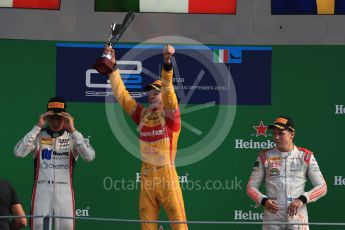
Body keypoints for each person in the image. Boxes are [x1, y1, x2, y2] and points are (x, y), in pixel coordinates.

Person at [104, 44, 188, 230]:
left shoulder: (171, 117)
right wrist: (113, 68)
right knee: (147, 227)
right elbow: (122, 95)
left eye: (155, 92)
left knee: (179, 225)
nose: (151, 94)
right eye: (150, 91)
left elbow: (169, 92)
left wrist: (167, 63)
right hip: (147, 176)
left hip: (167, 175)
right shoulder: (142, 115)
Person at [14, 97, 95, 230]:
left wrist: (73, 130)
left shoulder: (73, 137)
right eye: (52, 117)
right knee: (38, 227)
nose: (56, 121)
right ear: (47, 117)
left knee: (66, 227)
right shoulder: (38, 136)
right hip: (42, 192)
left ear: (66, 117)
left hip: (65, 194)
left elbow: (90, 156)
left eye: (59, 117)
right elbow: (18, 153)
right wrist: (37, 127)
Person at [247, 116, 327, 230]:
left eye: (281, 133)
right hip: (272, 218)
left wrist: (302, 199)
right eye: (274, 134)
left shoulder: (305, 155)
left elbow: (322, 187)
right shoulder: (264, 156)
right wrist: (263, 200)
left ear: (292, 134)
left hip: (298, 217)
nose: (276, 137)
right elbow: (251, 187)